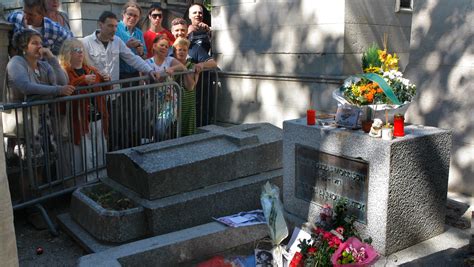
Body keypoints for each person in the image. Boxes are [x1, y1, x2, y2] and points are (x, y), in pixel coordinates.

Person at [5, 29, 74, 198]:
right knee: (26, 165)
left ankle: (38, 201)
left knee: (40, 163)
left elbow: (63, 80)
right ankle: (30, 206)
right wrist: (57, 90)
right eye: (34, 43)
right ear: (23, 46)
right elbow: (25, 86)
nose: (39, 46)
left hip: (42, 123)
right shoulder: (16, 62)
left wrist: (52, 59)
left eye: (40, 43)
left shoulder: (43, 64)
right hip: (23, 124)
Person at [82, 11, 157, 149]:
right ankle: (100, 163)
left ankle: (113, 159)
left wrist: (149, 70)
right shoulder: (85, 43)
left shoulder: (117, 41)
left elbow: (132, 58)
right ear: (100, 25)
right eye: (110, 26)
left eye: (116, 26)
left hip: (113, 94)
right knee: (97, 132)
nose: (114, 29)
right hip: (94, 97)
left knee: (114, 129)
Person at [58, 38, 111, 181]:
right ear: (68, 53)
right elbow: (66, 88)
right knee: (83, 154)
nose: (80, 53)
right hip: (79, 120)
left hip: (98, 117)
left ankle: (102, 180)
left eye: (81, 49)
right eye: (76, 50)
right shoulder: (64, 72)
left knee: (100, 150)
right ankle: (84, 184)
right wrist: (82, 80)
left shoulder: (91, 69)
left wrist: (107, 80)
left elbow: (105, 89)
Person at [170, 18, 217, 126]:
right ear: (172, 32)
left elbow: (213, 63)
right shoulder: (168, 49)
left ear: (187, 31)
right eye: (177, 30)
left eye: (182, 30)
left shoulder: (195, 48)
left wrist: (201, 64)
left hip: (193, 99)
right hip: (173, 101)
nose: (180, 33)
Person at [145, 34, 185, 141]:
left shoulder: (169, 60)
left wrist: (172, 68)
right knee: (152, 127)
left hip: (169, 101)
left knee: (160, 127)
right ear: (154, 46)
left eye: (167, 47)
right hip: (154, 101)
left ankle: (159, 148)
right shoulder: (147, 62)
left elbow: (182, 67)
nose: (164, 48)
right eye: (161, 45)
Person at [7, 0, 73, 55]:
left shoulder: (53, 29)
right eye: (24, 13)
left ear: (42, 14)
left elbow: (72, 42)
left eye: (31, 15)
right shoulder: (16, 18)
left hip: (42, 67)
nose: (26, 17)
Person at [173, 37, 201, 136]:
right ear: (175, 51)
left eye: (184, 50)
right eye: (179, 49)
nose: (182, 52)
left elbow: (190, 86)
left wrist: (184, 69)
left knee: (187, 127)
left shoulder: (191, 65)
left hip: (188, 101)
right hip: (173, 102)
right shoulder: (170, 64)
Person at [115, 1, 148, 81]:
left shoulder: (139, 33)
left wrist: (141, 52)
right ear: (123, 14)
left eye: (135, 16)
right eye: (130, 14)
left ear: (139, 18)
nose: (132, 18)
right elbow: (109, 52)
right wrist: (126, 46)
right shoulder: (115, 28)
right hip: (119, 75)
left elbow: (144, 57)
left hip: (135, 75)